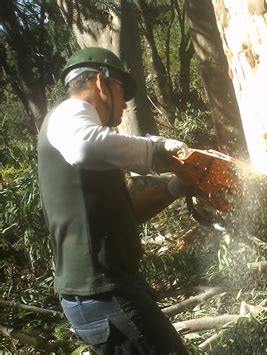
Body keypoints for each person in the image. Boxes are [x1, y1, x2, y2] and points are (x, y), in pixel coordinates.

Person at [37, 47, 189, 354]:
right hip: (104, 296)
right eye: (123, 92)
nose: (125, 106)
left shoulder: (93, 141)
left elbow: (125, 212)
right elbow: (83, 147)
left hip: (109, 293)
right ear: (100, 82)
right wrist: (156, 150)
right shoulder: (70, 113)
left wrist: (176, 187)